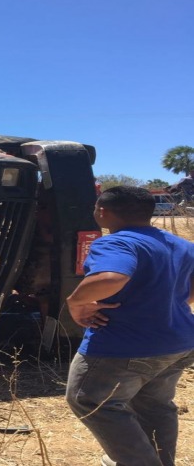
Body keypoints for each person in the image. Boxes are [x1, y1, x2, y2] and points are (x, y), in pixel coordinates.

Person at [65, 185, 194, 466]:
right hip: (179, 342)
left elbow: (111, 277)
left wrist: (76, 302)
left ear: (102, 211)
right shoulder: (182, 244)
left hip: (123, 346)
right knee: (155, 405)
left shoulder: (117, 241)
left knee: (89, 400)